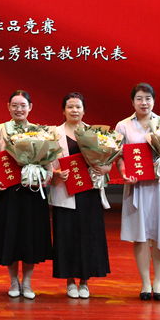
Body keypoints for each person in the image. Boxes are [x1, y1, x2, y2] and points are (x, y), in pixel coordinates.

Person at [116, 83, 160, 301]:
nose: (144, 102)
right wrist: (124, 173)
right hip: (138, 186)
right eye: (139, 98)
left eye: (148, 98)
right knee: (141, 235)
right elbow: (118, 157)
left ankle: (159, 284)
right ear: (132, 102)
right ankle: (145, 284)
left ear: (154, 101)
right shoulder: (123, 126)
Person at [0, 90, 53, 299]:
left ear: (30, 107)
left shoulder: (39, 131)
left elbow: (49, 159)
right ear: (8, 107)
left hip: (32, 191)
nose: (19, 109)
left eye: (23, 105)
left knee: (30, 237)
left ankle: (28, 283)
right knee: (11, 236)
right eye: (14, 105)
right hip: (9, 191)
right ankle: (14, 281)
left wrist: (48, 176)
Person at [50, 93, 111, 299]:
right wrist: (55, 173)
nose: (74, 110)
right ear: (63, 111)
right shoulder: (54, 133)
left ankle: (85, 281)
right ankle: (69, 281)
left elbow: (108, 160)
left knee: (89, 236)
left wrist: (106, 168)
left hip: (89, 192)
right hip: (65, 190)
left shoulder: (95, 133)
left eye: (78, 107)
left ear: (84, 111)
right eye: (70, 107)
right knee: (66, 235)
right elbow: (46, 161)